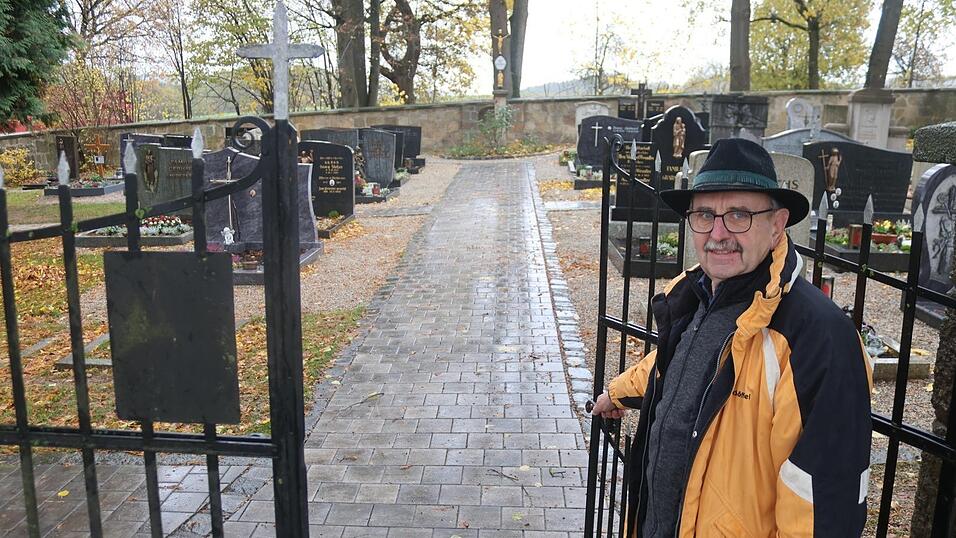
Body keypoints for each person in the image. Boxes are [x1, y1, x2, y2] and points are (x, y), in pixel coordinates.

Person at [590, 138, 873, 537]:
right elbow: (676, 366)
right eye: (705, 214)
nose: (718, 233)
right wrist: (618, 392)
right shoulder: (698, 297)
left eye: (739, 215)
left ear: (777, 225)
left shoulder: (817, 340)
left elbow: (824, 506)